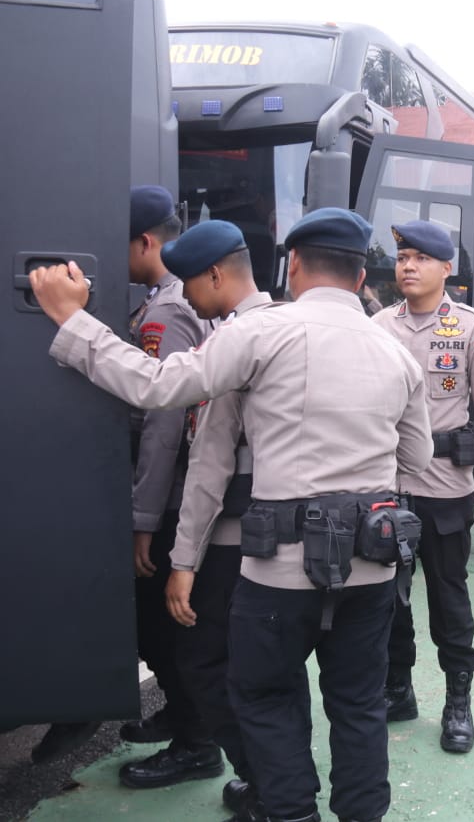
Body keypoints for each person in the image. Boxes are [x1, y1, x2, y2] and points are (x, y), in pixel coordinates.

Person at [31, 207, 434, 822]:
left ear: (293, 265)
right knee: (358, 704)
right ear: (358, 276)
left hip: (278, 574)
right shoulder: (396, 348)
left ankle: (290, 812)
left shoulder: (261, 334)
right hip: (371, 568)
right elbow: (418, 456)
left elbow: (158, 386)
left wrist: (72, 319)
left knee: (267, 697)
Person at [377, 226, 474, 757]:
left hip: (443, 487)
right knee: (386, 596)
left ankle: (458, 701)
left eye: (421, 258)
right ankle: (398, 688)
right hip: (386, 484)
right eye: (403, 257)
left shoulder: (472, 329)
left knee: (447, 594)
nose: (408, 266)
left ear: (445, 269)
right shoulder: (379, 325)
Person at [158, 221, 273, 817]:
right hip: (293, 534)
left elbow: (208, 464)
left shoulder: (237, 340)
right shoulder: (280, 326)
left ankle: (262, 781)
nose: (183, 298)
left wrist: (183, 562)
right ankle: (274, 782)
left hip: (234, 539)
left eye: (186, 284)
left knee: (207, 659)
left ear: (214, 275)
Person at [120, 186, 221, 789]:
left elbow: (161, 426)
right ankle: (185, 718)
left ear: (145, 241)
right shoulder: (170, 301)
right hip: (178, 489)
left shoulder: (163, 314)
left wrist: (142, 518)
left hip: (170, 494)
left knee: (163, 621)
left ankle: (196, 742)